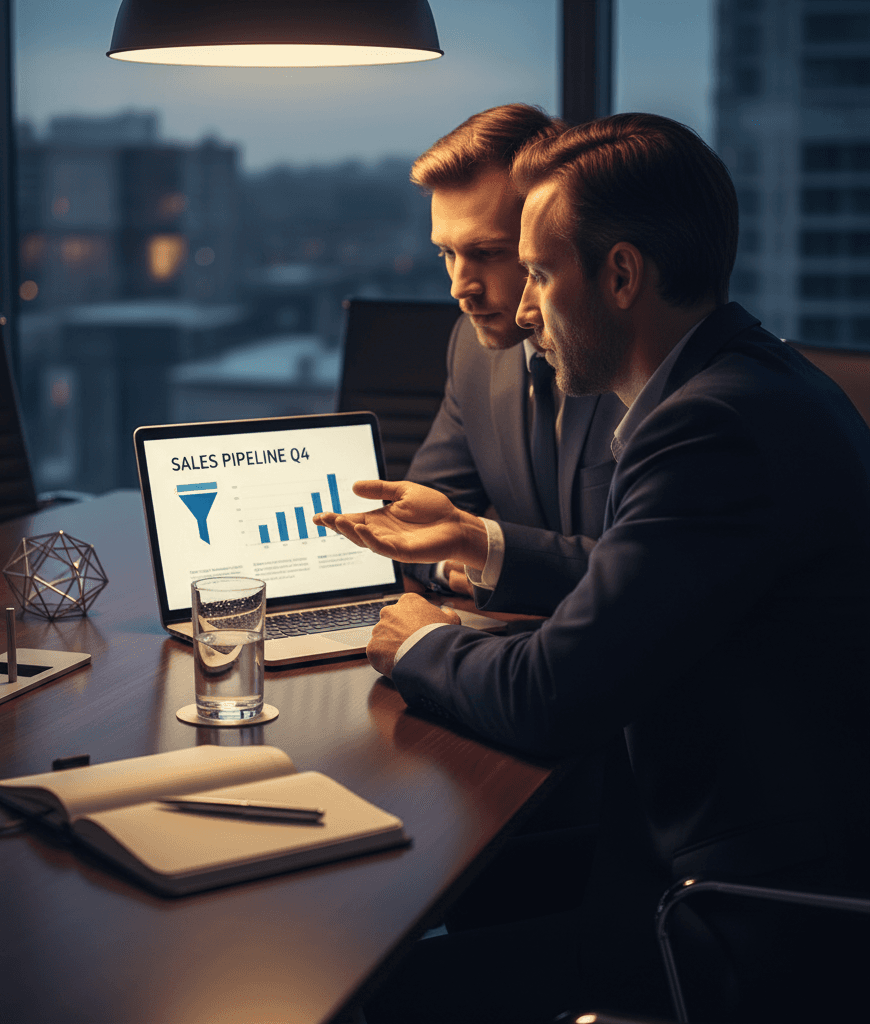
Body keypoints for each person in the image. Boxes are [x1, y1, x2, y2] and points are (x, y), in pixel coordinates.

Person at [316, 113, 870, 1022]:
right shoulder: (743, 382)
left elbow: (551, 695)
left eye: (536, 271)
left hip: (739, 918)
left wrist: (419, 645)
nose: (524, 308)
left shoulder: (708, 429)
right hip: (688, 849)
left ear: (620, 275)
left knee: (379, 994)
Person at [404, 103, 625, 602]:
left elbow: (648, 576)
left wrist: (487, 552)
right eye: (447, 254)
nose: (460, 289)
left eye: (487, 253)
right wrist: (450, 565)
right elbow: (418, 523)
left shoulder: (639, 362)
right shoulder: (473, 348)